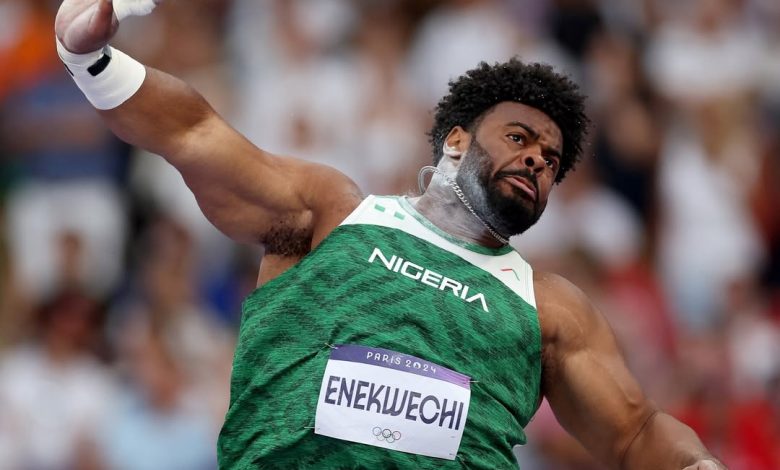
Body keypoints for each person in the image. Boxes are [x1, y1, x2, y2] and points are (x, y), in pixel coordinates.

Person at [53, 0, 727, 468]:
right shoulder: (332, 214)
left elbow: (636, 433)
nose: (536, 161)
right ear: (457, 141)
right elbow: (195, 132)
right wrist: (92, 60)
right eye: (520, 140)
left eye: (551, 162)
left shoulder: (549, 307)